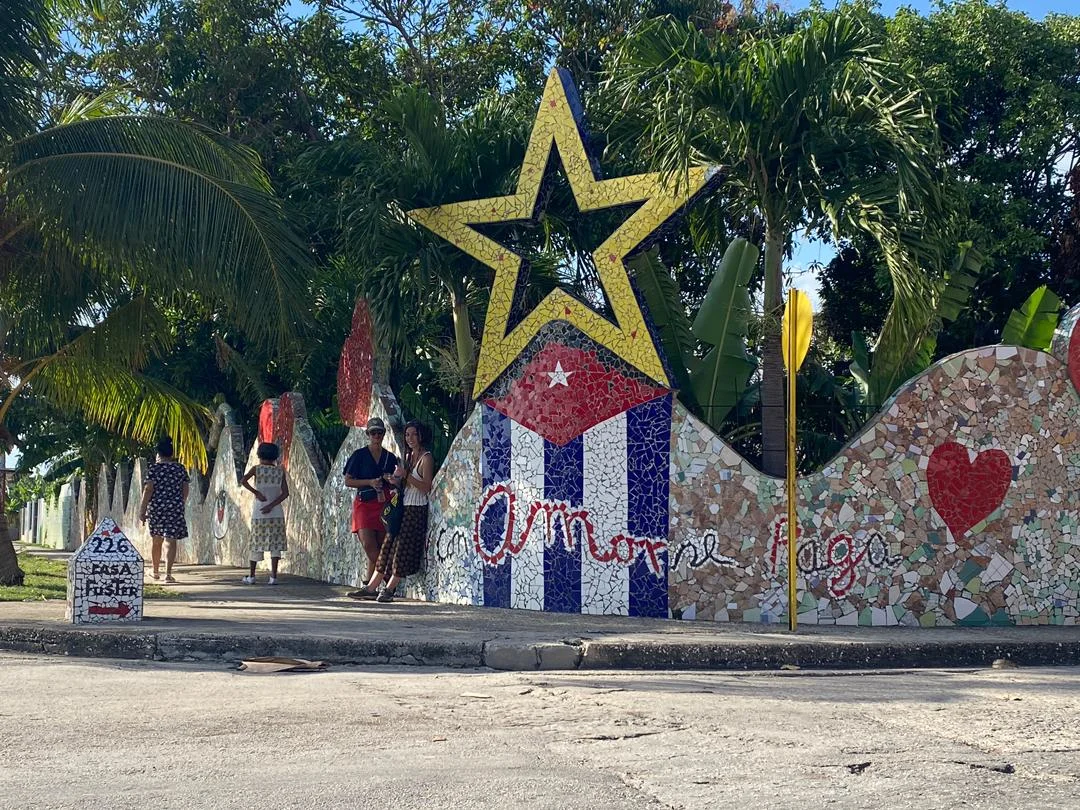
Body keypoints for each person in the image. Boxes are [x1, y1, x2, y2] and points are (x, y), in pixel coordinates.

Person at [355, 420, 434, 603]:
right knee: (387, 546)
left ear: (421, 435)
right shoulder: (409, 456)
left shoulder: (425, 458)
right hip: (403, 506)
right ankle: (372, 586)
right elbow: (408, 484)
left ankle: (389, 589)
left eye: (414, 434)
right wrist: (396, 481)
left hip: (416, 508)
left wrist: (406, 475)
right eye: (407, 435)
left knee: (402, 549)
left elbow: (426, 487)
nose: (410, 439)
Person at [343, 417, 399, 594]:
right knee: (368, 543)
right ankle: (390, 578)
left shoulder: (389, 457)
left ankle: (369, 585)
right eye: (373, 432)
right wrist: (369, 482)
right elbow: (348, 481)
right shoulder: (359, 455)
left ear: (383, 434)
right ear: (368, 434)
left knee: (381, 544)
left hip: (383, 503)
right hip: (364, 503)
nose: (376, 435)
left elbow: (395, 481)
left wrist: (390, 480)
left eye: (380, 432)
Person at [137, 437, 188, 583]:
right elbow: (185, 488)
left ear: (158, 453)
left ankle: (155, 571)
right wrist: (180, 503)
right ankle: (168, 574)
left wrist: (142, 510)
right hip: (175, 508)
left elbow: (148, 489)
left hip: (157, 509)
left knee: (157, 540)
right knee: (170, 540)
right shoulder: (180, 468)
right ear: (171, 454)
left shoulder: (154, 469)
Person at [240, 442, 290, 585]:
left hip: (259, 511)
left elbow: (243, 481)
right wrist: (272, 505)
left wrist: (257, 493)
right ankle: (273, 577)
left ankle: (252, 576)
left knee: (256, 542)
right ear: (275, 456)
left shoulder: (257, 469)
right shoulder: (280, 471)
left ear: (259, 455)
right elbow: (285, 493)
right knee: (275, 544)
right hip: (276, 512)